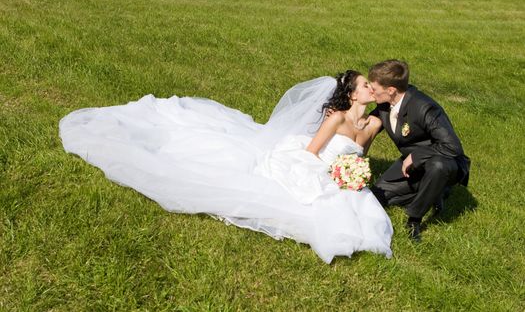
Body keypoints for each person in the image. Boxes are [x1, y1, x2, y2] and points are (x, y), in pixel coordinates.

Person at [60, 70, 393, 264]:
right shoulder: (335, 117)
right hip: (310, 164)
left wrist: (353, 173)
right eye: (365, 84)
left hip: (339, 172)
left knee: (354, 209)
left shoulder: (372, 123)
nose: (370, 88)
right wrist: (329, 173)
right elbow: (311, 152)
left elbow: (359, 154)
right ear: (351, 93)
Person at [368, 60, 470, 241]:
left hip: (444, 160)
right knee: (377, 196)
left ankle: (414, 218)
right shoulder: (384, 103)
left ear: (391, 90)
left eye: (374, 88)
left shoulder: (424, 107)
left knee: (438, 167)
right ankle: (435, 192)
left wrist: (416, 155)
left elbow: (453, 147)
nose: (371, 91)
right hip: (413, 165)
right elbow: (366, 125)